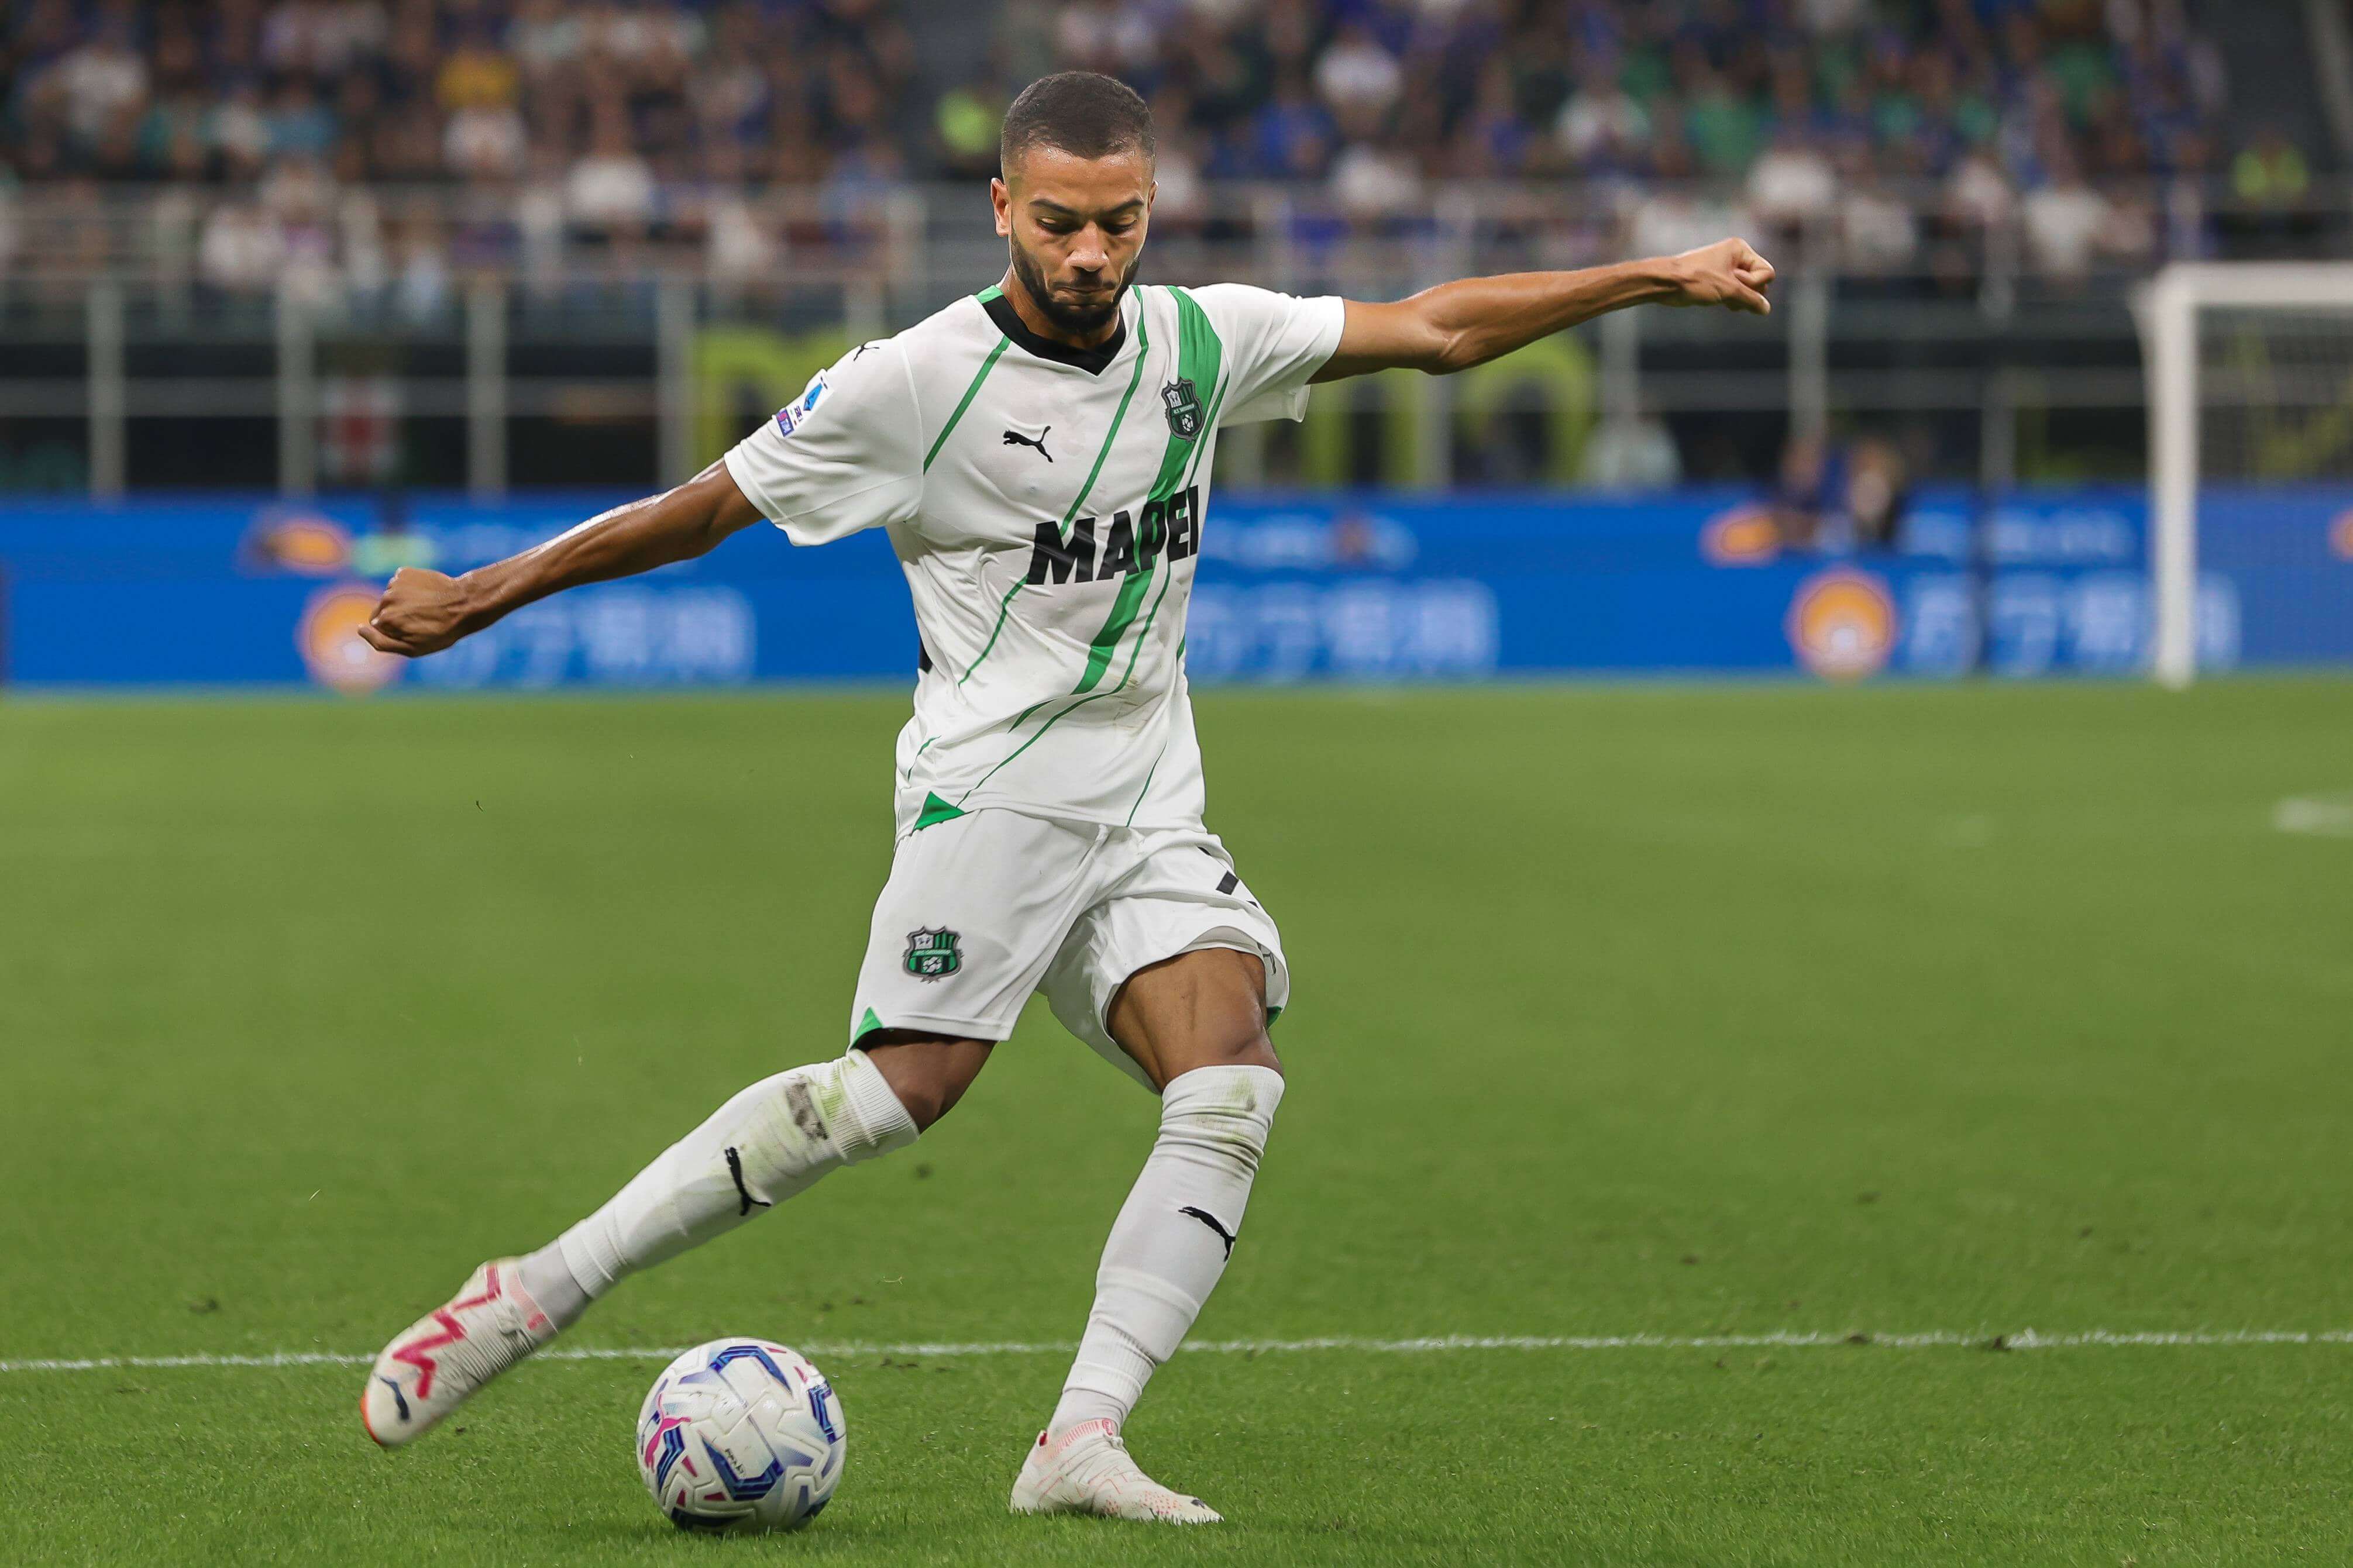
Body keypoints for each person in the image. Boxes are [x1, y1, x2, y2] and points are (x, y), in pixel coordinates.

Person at [354, 70, 1773, 1525]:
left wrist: (1650, 276)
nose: (1090, 255)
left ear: (1149, 210)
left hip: (1149, 796)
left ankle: (1076, 1442)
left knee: (1228, 1081)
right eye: (1057, 224)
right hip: (995, 797)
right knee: (893, 1101)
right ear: (1001, 210)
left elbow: (1436, 327)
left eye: (1118, 223)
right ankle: (530, 1293)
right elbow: (702, 508)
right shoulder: (913, 380)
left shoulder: (1200, 340)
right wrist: (479, 595)